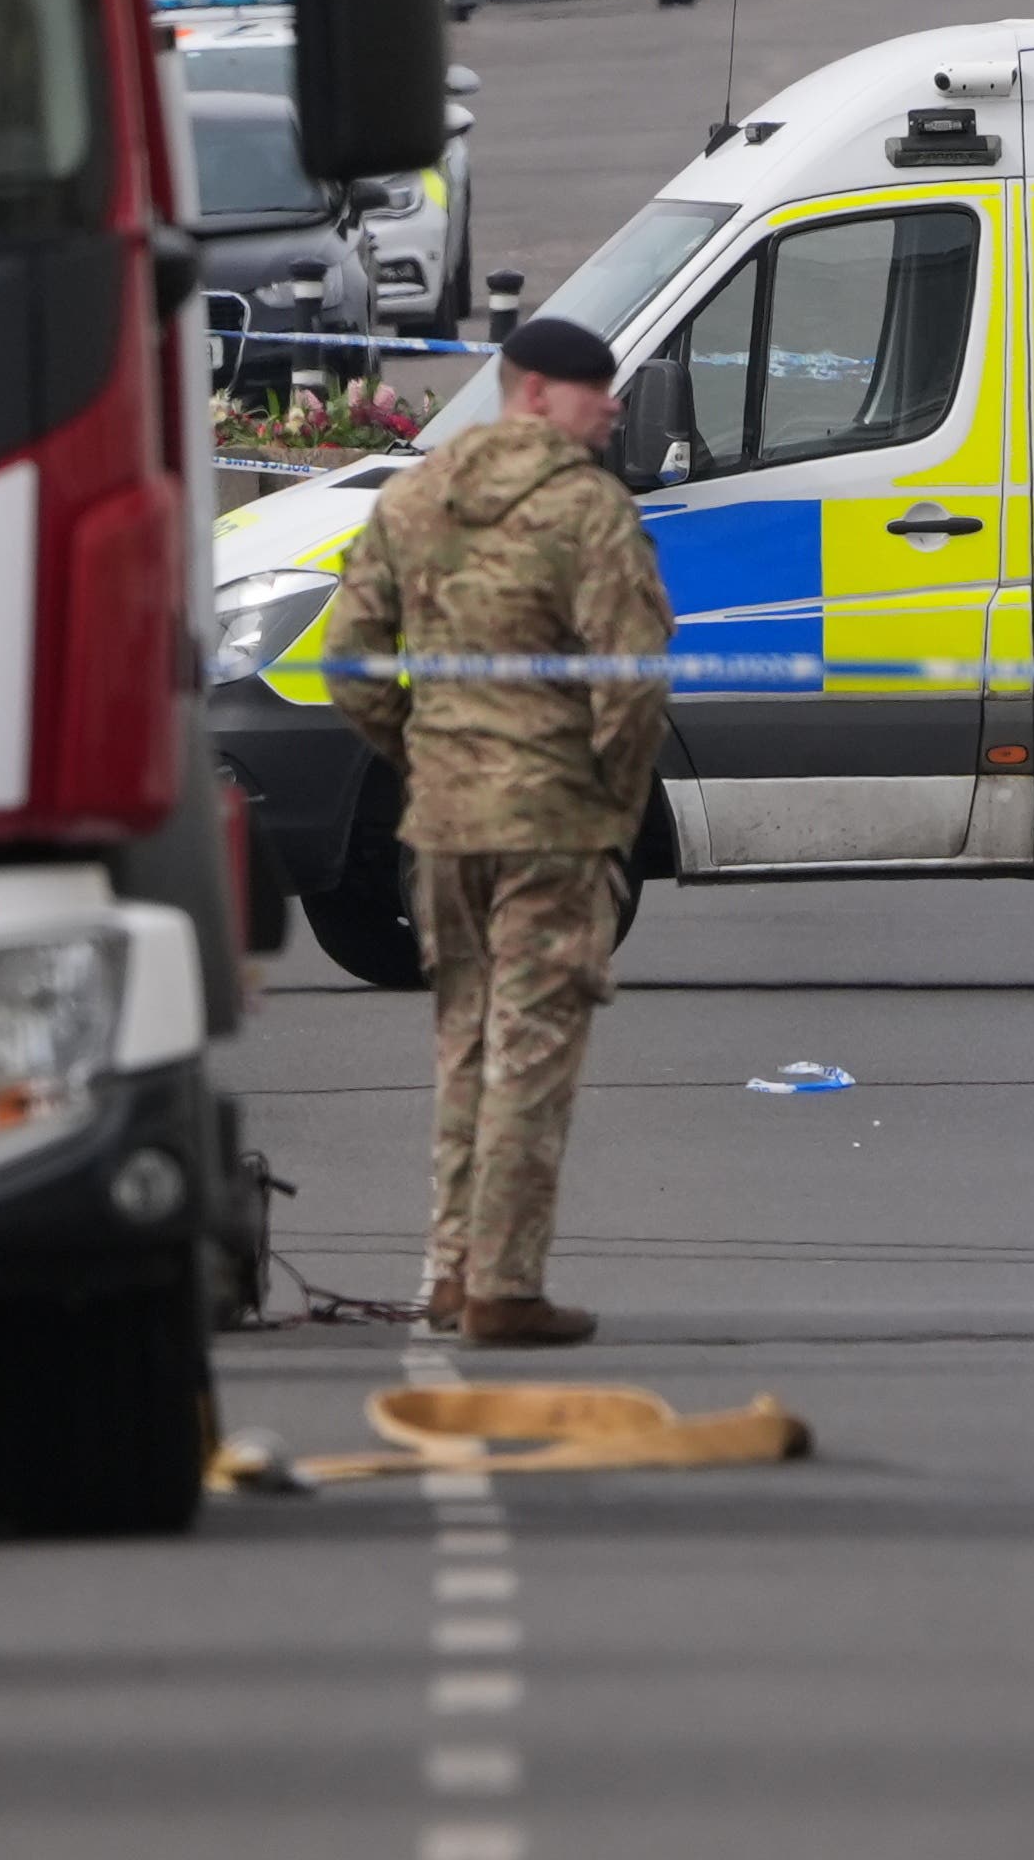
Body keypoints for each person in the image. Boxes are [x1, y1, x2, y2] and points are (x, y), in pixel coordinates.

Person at [321, 314, 669, 1349]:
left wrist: (420, 753)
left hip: (439, 824)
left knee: (464, 1043)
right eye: (592, 390)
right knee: (532, 1049)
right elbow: (631, 678)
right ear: (534, 394)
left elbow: (348, 654)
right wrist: (610, 798)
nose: (609, 407)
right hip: (552, 822)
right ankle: (505, 1287)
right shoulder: (584, 507)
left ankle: (446, 1271)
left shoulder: (414, 494)